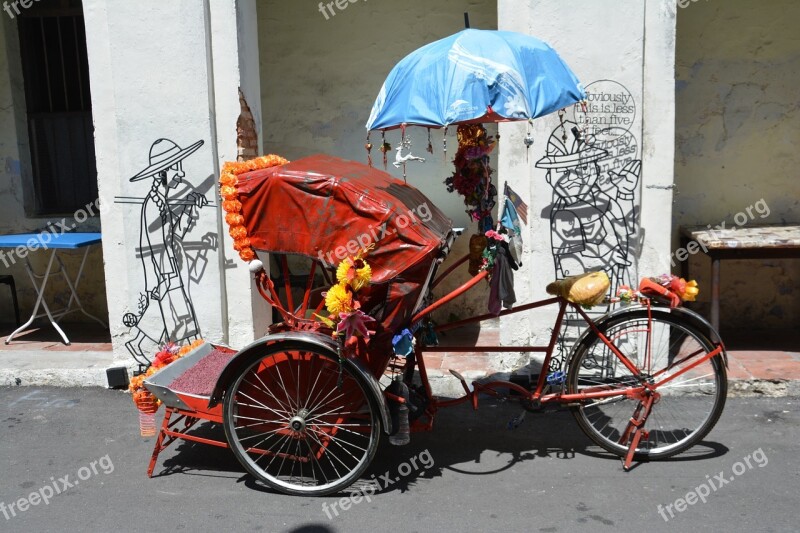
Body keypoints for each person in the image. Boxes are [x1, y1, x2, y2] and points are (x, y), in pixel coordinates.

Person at [123, 138, 207, 367]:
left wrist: (189, 206)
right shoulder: (153, 204)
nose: (180, 173)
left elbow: (174, 234)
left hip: (169, 263)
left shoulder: (162, 201)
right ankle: (192, 357)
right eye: (175, 168)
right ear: (161, 173)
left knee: (176, 313)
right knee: (177, 313)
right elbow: (156, 246)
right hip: (163, 267)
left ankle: (142, 343)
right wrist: (165, 276)